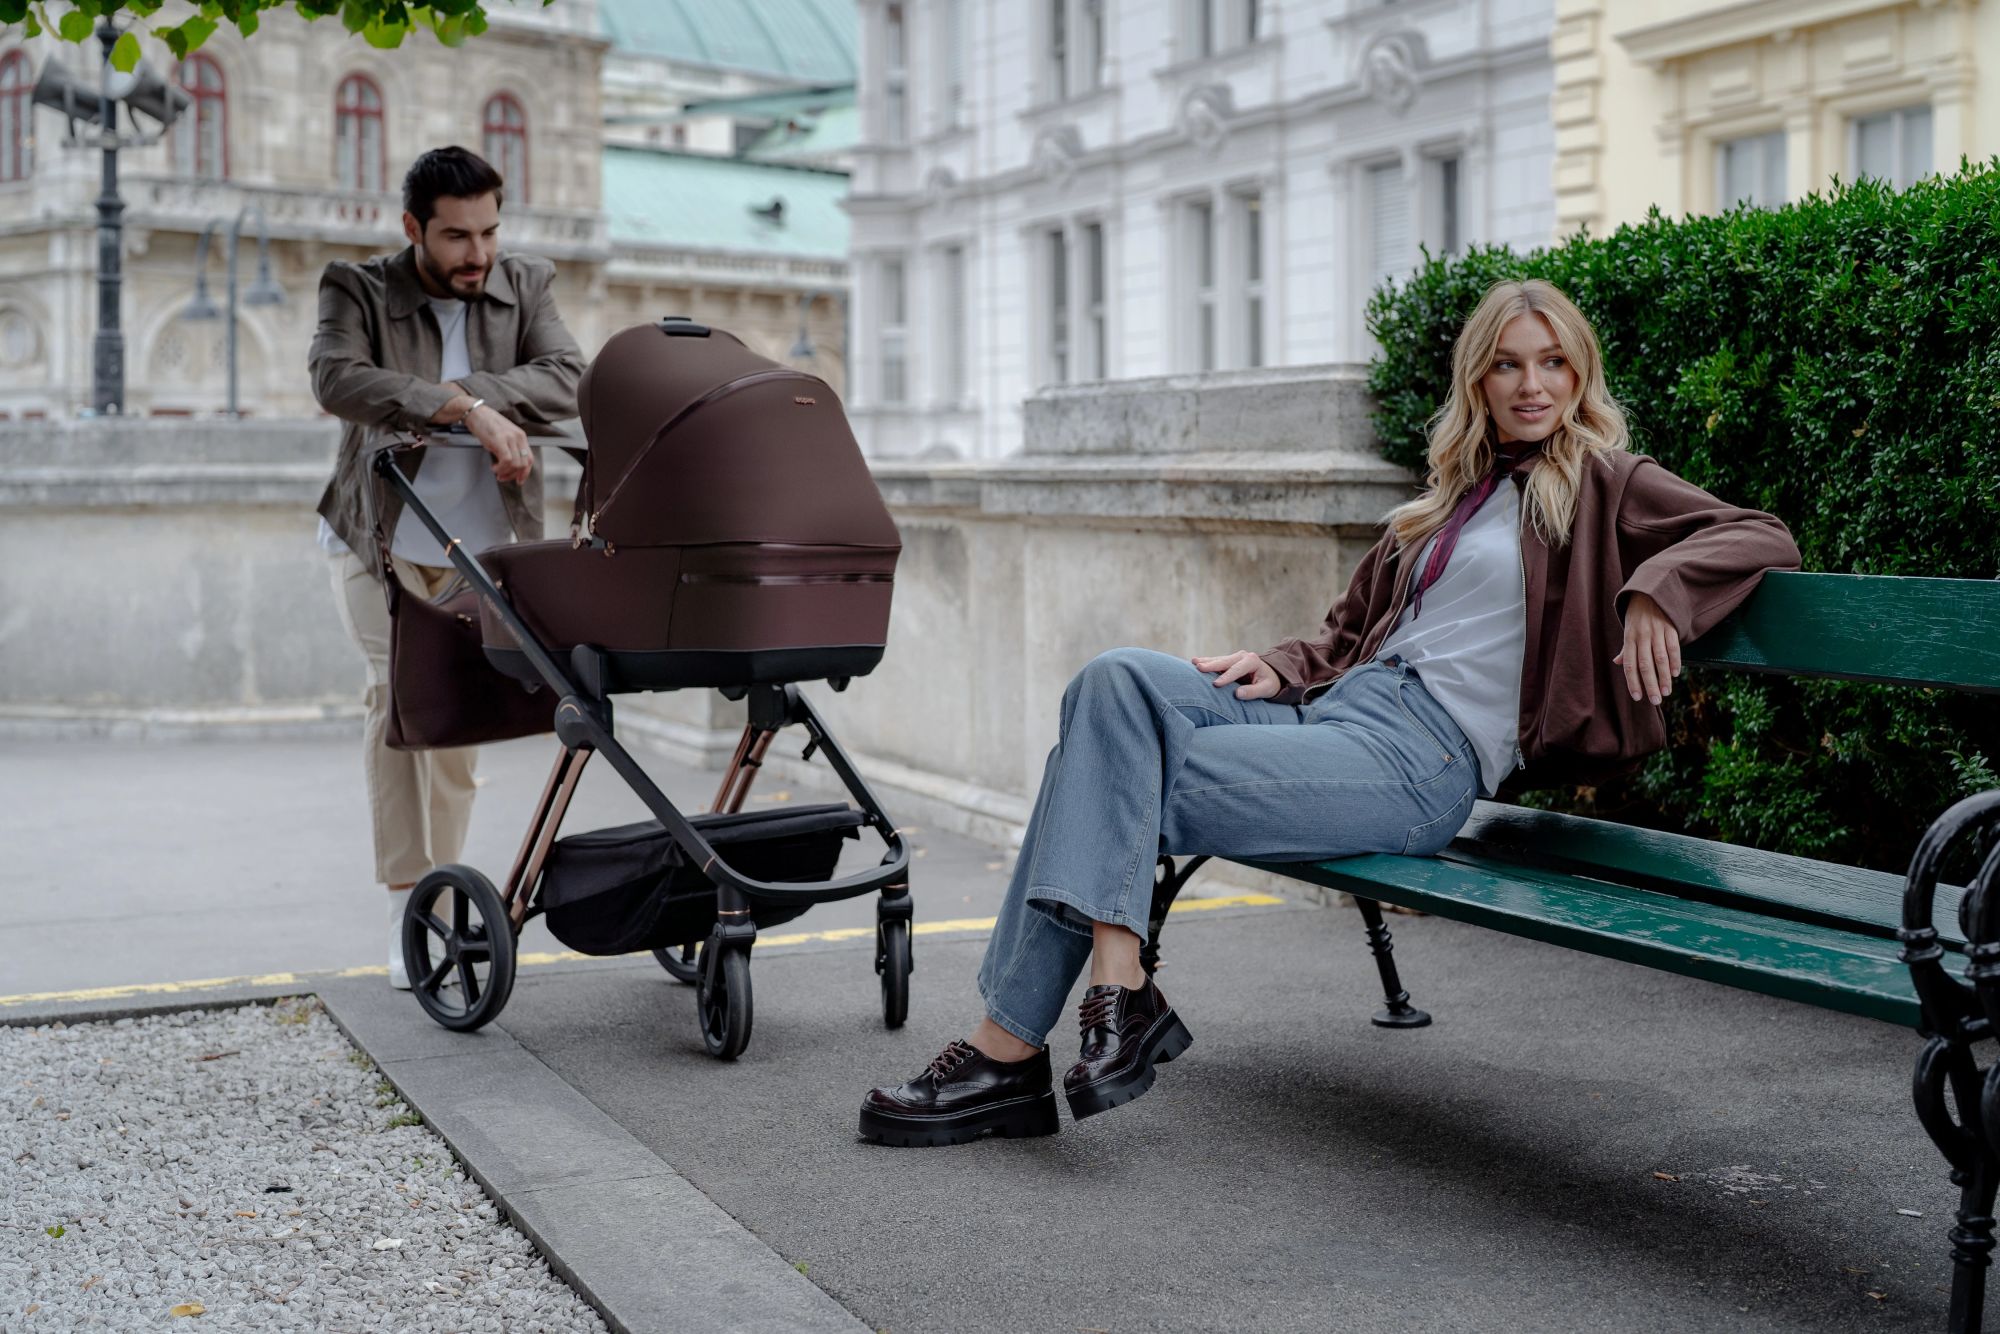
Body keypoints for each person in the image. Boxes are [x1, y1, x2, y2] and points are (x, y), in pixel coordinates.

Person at [859, 278, 1802, 1147]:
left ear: (1579, 372)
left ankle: (1011, 1051)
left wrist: (1655, 593)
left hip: (1421, 762)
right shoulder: (1445, 503)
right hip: (1334, 719)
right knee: (1114, 682)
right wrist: (1279, 664)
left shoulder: (1605, 483)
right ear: (1477, 379)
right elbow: (1347, 634)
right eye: (1508, 364)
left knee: (1097, 776)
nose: (1532, 385)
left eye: (1552, 362)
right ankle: (1118, 980)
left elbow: (1761, 535)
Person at [309, 145, 586, 989]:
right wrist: (463, 409)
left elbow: (568, 377)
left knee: (457, 724)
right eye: (458, 236)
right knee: (396, 702)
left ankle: (445, 896)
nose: (479, 253)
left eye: (489, 231)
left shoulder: (524, 284)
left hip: (482, 549)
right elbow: (338, 378)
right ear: (413, 228)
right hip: (380, 539)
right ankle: (409, 909)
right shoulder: (356, 288)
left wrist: (474, 400)